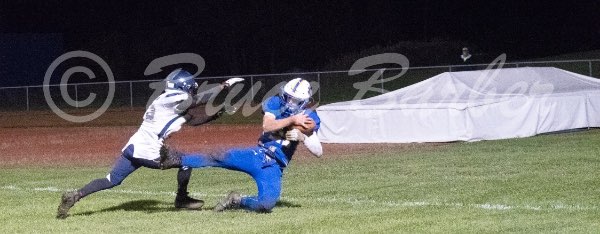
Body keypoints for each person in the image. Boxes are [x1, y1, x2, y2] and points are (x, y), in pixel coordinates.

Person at [56, 69, 244, 219]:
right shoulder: (174, 98)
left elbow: (193, 120)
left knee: (111, 180)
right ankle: (181, 199)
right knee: (187, 161)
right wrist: (224, 86)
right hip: (150, 150)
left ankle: (75, 195)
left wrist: (219, 113)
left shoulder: (166, 101)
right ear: (184, 86)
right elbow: (196, 100)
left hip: (133, 147)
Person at [159, 78, 323, 213]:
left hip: (274, 166)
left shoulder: (309, 116)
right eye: (288, 97)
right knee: (218, 156)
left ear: (304, 102)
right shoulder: (275, 102)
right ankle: (176, 158)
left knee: (266, 204)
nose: (290, 102)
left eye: (295, 99)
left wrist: (302, 136)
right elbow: (268, 126)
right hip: (258, 154)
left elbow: (318, 151)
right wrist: (292, 120)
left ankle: (236, 200)